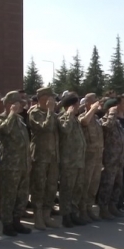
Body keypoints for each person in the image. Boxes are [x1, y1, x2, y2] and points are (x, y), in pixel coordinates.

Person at [0, 91, 33, 236]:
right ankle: (7, 224)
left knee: (22, 195)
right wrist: (11, 114)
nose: (22, 106)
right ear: (10, 104)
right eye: (18, 103)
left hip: (23, 165)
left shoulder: (19, 120)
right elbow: (4, 130)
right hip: (10, 166)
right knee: (9, 196)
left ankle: (16, 221)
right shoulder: (0, 118)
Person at [28, 87, 61, 230]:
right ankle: (38, 217)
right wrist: (50, 111)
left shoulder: (52, 113)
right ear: (43, 98)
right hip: (40, 155)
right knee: (39, 186)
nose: (52, 100)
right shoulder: (34, 113)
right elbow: (45, 128)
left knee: (52, 186)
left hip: (53, 155)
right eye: (50, 97)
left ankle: (47, 215)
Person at [57, 93, 87, 227]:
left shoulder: (75, 119)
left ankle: (73, 213)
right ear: (72, 105)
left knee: (77, 189)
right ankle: (66, 215)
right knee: (67, 189)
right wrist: (68, 114)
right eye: (77, 104)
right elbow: (65, 131)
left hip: (78, 160)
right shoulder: (63, 118)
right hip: (68, 161)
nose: (78, 107)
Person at [78, 94, 104, 222]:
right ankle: (81, 210)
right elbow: (84, 122)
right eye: (94, 102)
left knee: (94, 184)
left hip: (97, 157)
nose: (97, 104)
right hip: (87, 157)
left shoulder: (97, 118)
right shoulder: (83, 116)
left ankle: (89, 208)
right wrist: (92, 109)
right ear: (88, 103)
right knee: (85, 184)